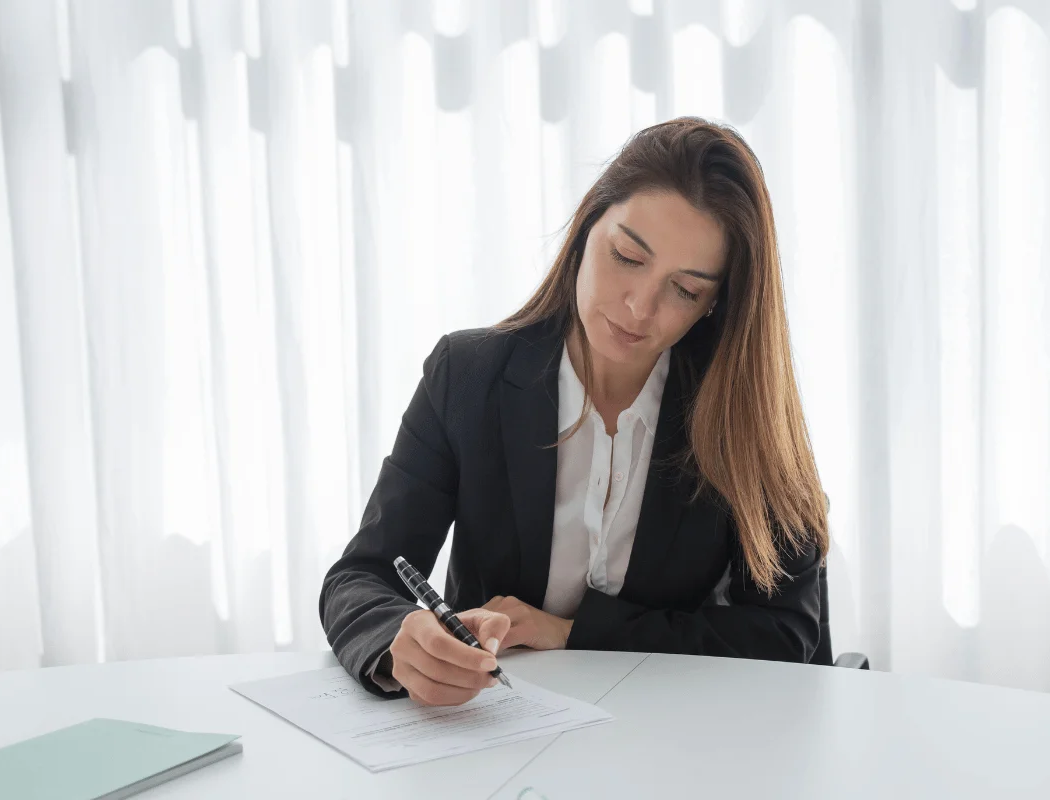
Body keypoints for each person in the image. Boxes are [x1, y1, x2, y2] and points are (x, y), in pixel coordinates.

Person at [319, 117, 830, 705]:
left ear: (716, 305)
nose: (639, 307)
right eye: (627, 257)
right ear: (588, 228)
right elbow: (361, 577)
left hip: (677, 734)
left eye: (685, 291)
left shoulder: (741, 409)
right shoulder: (466, 377)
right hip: (498, 728)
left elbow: (784, 633)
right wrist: (396, 640)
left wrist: (572, 634)